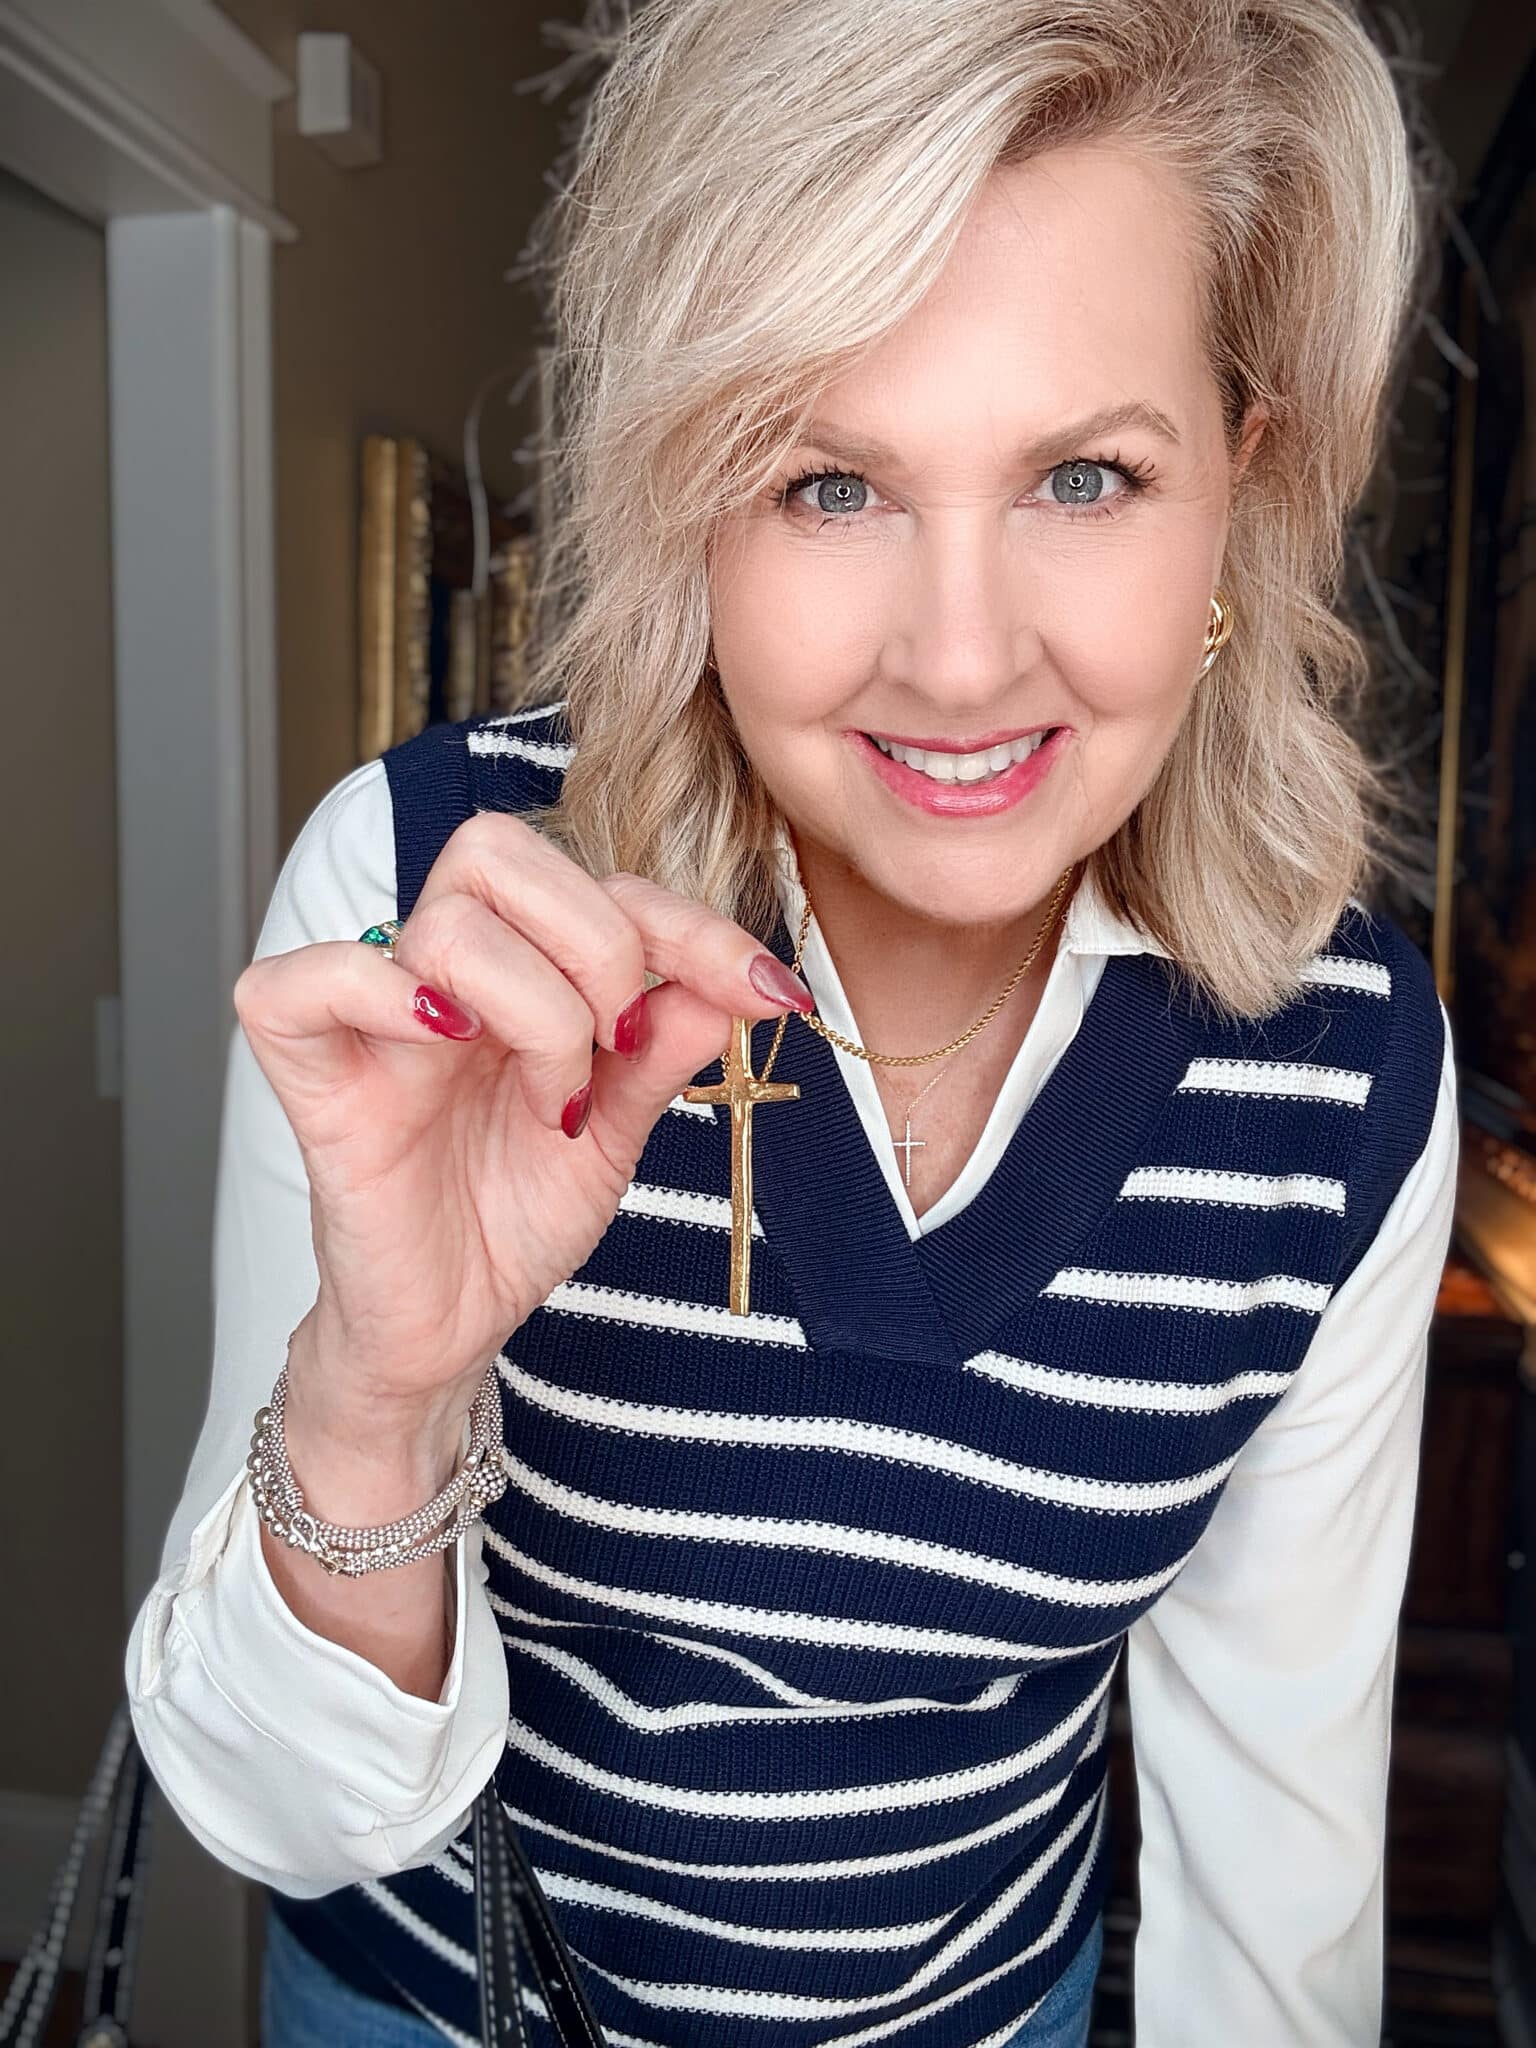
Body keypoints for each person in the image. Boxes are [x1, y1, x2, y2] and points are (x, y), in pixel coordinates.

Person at [124, 0, 1459, 2042]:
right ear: (691, 495)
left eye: (1086, 475)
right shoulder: (420, 909)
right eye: (830, 484)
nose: (956, 654)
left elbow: (1270, 1857)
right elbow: (271, 1813)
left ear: (1239, 487)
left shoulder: (1338, 1077)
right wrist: (378, 1389)